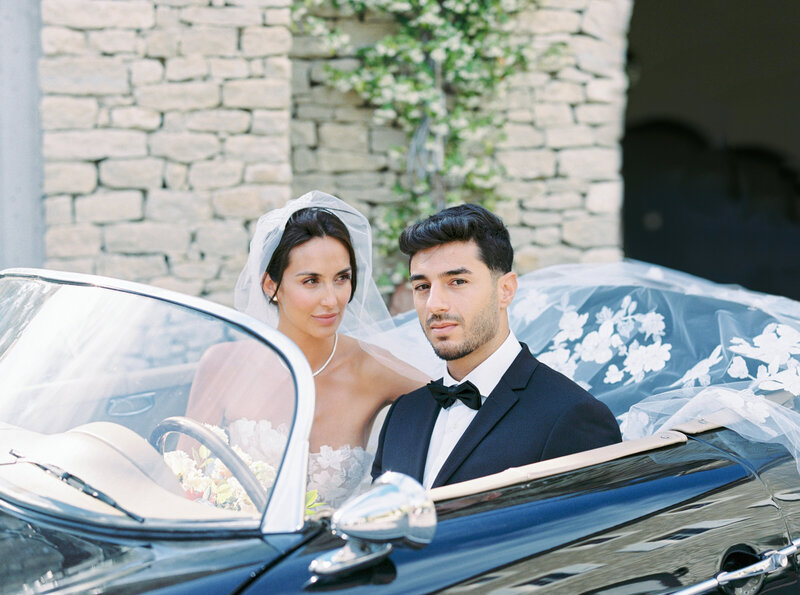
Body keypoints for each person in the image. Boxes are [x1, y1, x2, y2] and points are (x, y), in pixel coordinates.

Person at [190, 190, 426, 508]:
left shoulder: (372, 368)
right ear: (270, 286)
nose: (331, 300)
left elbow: (458, 402)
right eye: (311, 281)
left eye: (341, 278)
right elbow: (184, 480)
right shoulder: (222, 364)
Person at [371, 204, 622, 489]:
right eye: (422, 287)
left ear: (506, 290)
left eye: (457, 281)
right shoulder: (402, 414)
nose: (434, 304)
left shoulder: (572, 416)